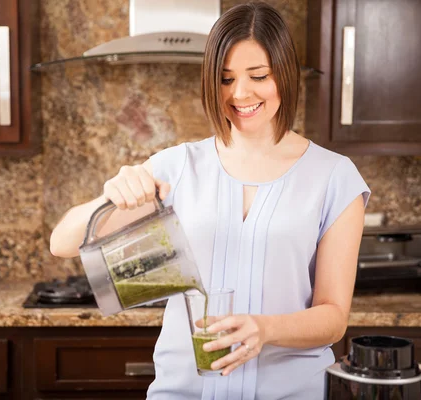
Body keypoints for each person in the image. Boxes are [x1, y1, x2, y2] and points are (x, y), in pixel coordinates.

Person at [50, 2, 370, 399]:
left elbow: (333, 317)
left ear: (284, 75)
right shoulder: (177, 167)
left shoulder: (334, 178)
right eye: (225, 78)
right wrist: (111, 197)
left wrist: (265, 329)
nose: (239, 93)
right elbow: (61, 243)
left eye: (258, 76)